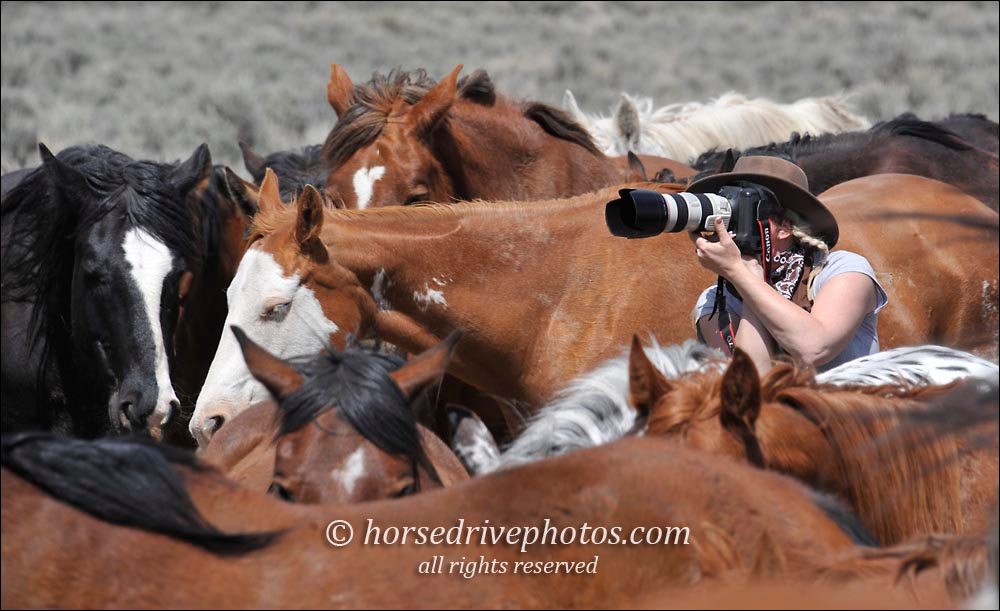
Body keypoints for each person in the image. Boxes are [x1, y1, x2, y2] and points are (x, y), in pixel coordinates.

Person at [685, 156, 888, 374]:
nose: (730, 223)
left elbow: (814, 348)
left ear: (785, 227)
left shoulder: (843, 270)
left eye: (745, 210)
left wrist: (739, 273)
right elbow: (753, 378)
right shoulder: (714, 302)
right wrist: (749, 277)